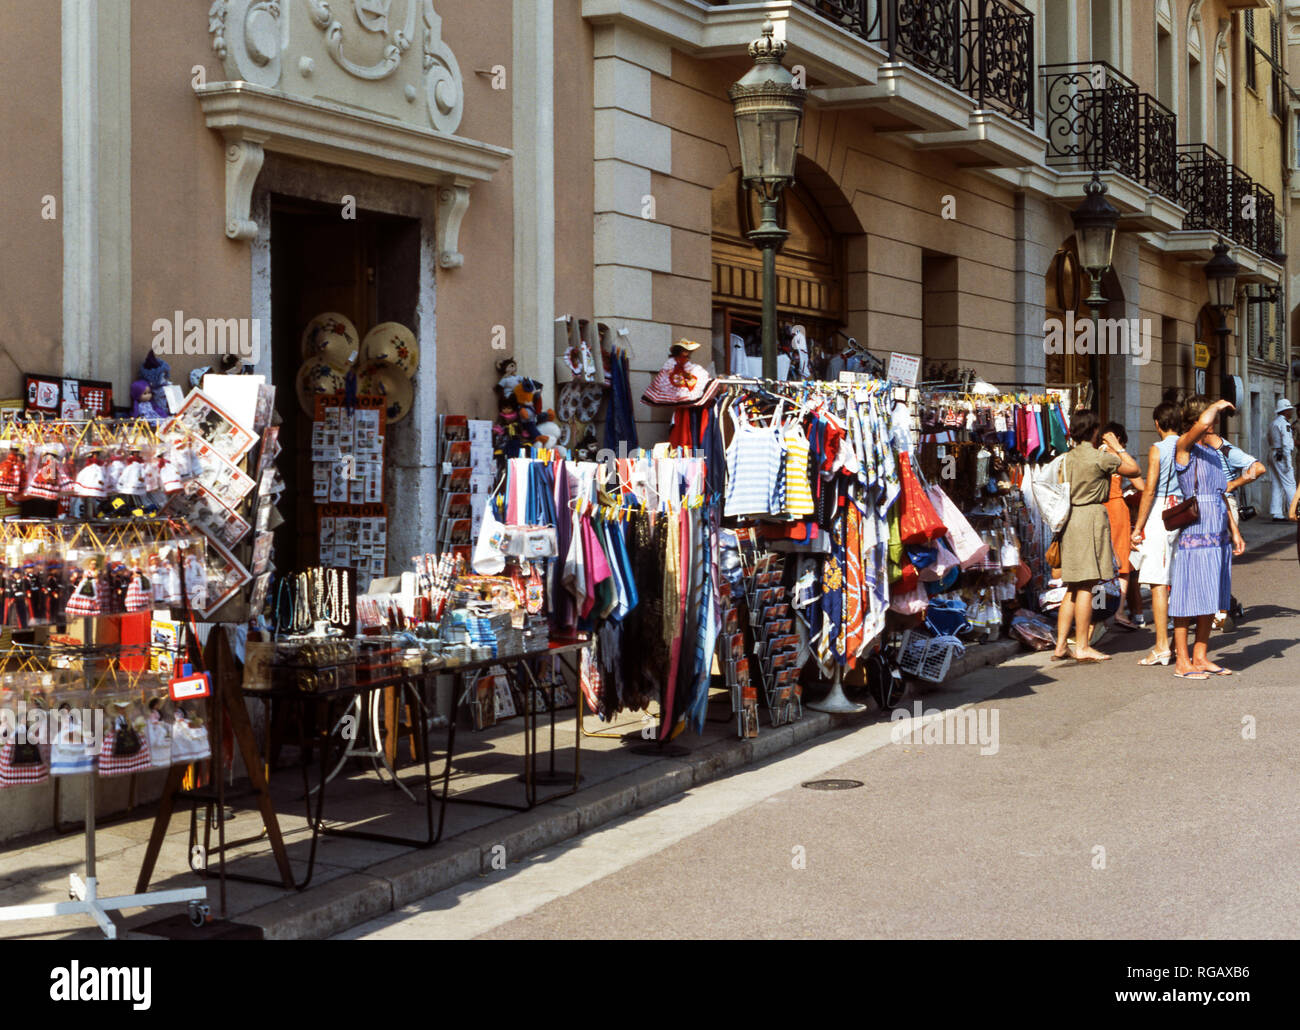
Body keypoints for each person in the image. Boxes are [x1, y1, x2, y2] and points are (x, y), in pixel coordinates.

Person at [1050, 410, 1141, 663]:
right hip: (1090, 518)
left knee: (1071, 585)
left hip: (1070, 520)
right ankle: (1082, 645)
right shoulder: (1099, 457)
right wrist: (1115, 447)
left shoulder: (1066, 459)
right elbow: (1134, 470)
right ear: (1093, 432)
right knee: (1087, 584)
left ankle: (1060, 645)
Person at [1168, 396, 1243, 680]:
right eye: (1211, 421)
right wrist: (1218, 405)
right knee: (1187, 597)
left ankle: (1200, 656)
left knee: (1211, 595)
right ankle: (1182, 661)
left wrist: (1234, 530)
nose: (1213, 427)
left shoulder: (1212, 453)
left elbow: (1222, 494)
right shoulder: (1183, 447)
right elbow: (1202, 424)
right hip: (1196, 531)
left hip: (1217, 532)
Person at [1131, 401, 1182, 666]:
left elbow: (1149, 490)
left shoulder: (1158, 449)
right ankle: (1176, 643)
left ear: (1157, 424)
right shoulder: (1189, 446)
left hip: (1161, 511)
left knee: (1158, 582)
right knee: (1178, 578)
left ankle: (1162, 645)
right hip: (1185, 511)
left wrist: (1138, 527)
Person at [1101, 422, 1146, 630]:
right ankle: (1118, 611)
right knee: (1122, 565)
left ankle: (1099, 611)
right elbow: (1141, 485)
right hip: (1117, 510)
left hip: (1097, 510)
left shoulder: (1095, 455)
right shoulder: (1118, 458)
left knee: (1099, 564)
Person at [1267, 398, 1296, 521]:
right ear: (1285, 411)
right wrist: (1288, 463)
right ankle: (1295, 511)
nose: (1291, 412)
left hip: (1273, 453)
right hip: (1282, 456)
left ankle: (1276, 512)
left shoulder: (1273, 423)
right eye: (1289, 410)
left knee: (1277, 484)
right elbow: (1287, 444)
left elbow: (1268, 438)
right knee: (1290, 484)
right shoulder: (1285, 424)